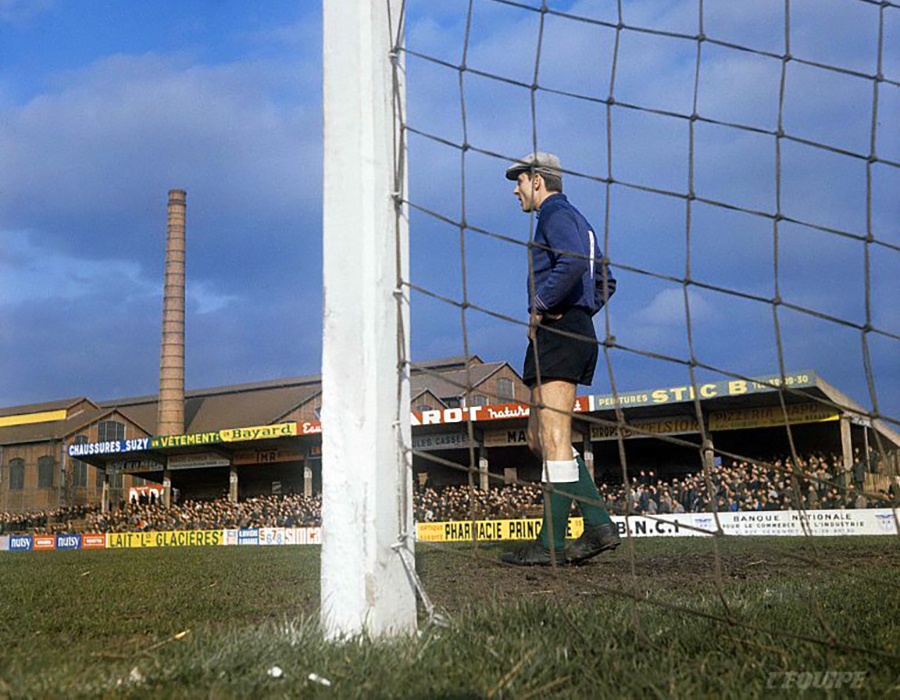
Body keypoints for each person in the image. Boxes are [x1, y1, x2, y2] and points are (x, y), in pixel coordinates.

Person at [499, 152, 619, 566]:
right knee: (538, 438)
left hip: (559, 332)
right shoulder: (577, 220)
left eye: (520, 180)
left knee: (553, 440)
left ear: (538, 181)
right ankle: (599, 523)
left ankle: (551, 543)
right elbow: (606, 280)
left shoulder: (554, 214)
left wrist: (545, 305)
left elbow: (572, 263)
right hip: (565, 331)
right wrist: (584, 308)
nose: (516, 189)